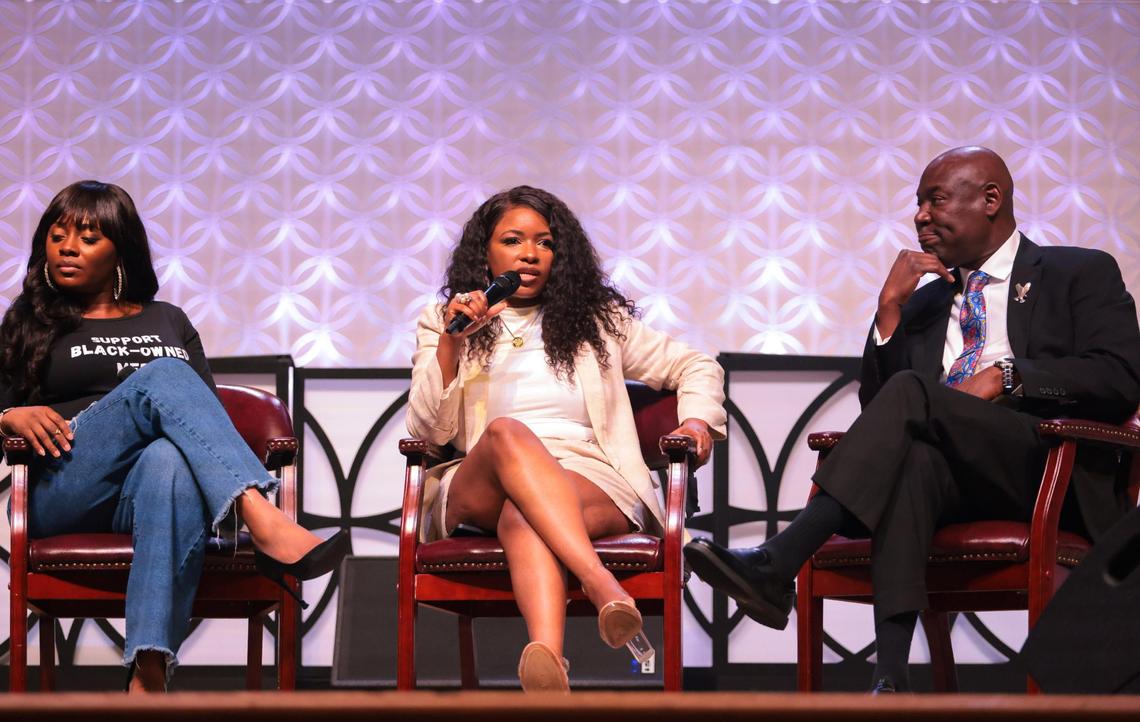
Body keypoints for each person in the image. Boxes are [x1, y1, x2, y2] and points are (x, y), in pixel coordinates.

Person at [684, 146, 1140, 693]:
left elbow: (1119, 377)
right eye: (917, 204)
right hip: (950, 478)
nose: (919, 216)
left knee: (913, 398)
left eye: (935, 199)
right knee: (913, 460)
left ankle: (780, 560)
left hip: (1041, 468)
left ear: (990, 199)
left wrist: (1008, 376)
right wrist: (889, 312)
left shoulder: (1077, 271)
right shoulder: (925, 306)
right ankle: (891, 679)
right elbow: (881, 421)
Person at [0, 180, 349, 693]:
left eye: (88, 238)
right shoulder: (29, 320)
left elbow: (205, 417)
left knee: (168, 459)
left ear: (122, 250)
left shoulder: (169, 319)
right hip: (66, 482)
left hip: (145, 492)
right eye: (57, 236)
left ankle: (148, 673)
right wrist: (9, 415)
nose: (67, 247)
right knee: (163, 376)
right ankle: (258, 512)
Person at [406, 185, 726, 693]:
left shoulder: (598, 321)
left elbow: (695, 364)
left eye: (544, 243)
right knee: (508, 433)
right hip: (480, 476)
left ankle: (548, 663)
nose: (530, 254)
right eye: (513, 240)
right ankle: (603, 585)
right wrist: (452, 342)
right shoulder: (445, 322)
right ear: (486, 252)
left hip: (588, 473)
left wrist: (696, 422)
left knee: (523, 513)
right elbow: (426, 431)